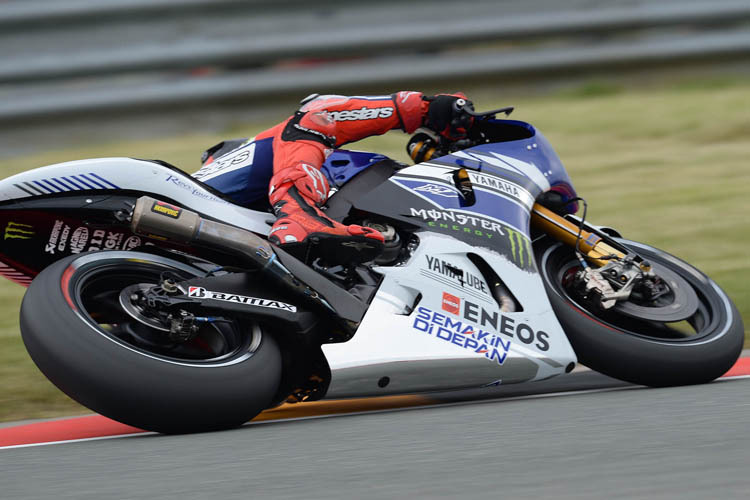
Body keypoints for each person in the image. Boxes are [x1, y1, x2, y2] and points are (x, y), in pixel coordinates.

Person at [193, 92, 471, 263]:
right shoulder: (253, 152)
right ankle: (299, 215)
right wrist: (424, 108)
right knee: (314, 119)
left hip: (204, 250)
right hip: (198, 203)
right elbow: (322, 107)